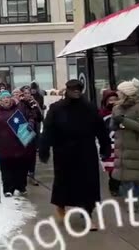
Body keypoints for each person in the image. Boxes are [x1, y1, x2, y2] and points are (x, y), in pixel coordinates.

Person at [38, 80, 111, 225]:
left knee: (88, 183)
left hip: (86, 150)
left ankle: (88, 213)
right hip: (63, 151)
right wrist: (44, 149)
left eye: (78, 89)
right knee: (63, 181)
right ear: (67, 90)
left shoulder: (89, 108)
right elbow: (48, 130)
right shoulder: (57, 108)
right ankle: (61, 205)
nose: (76, 91)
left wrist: (105, 147)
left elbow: (101, 129)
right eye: (73, 89)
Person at [0, 91, 33, 198]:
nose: (6, 99)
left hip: (19, 144)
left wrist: (30, 124)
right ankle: (8, 189)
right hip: (3, 145)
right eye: (3, 98)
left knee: (21, 167)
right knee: (6, 168)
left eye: (8, 97)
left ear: (11, 98)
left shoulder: (19, 108)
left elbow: (30, 117)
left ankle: (21, 187)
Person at [110, 79, 139, 199]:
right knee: (124, 178)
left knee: (136, 177)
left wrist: (123, 120)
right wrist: (115, 122)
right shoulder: (117, 108)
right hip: (121, 148)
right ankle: (130, 200)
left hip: (135, 147)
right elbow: (112, 126)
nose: (117, 94)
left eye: (120, 92)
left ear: (126, 93)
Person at [98, 89, 121, 197]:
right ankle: (114, 187)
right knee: (112, 167)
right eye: (110, 100)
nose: (113, 102)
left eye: (115, 99)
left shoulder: (121, 111)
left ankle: (118, 185)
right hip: (109, 144)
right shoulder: (101, 114)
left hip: (121, 142)